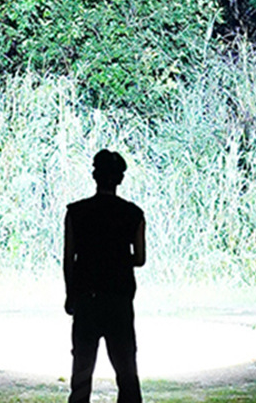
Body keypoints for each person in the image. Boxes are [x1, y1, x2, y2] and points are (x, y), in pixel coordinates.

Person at [63, 149, 145, 403]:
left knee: (82, 372)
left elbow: (68, 260)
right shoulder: (134, 214)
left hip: (87, 297)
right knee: (126, 371)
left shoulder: (75, 212)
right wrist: (118, 258)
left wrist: (70, 295)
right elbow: (140, 259)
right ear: (119, 179)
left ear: (94, 176)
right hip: (119, 299)